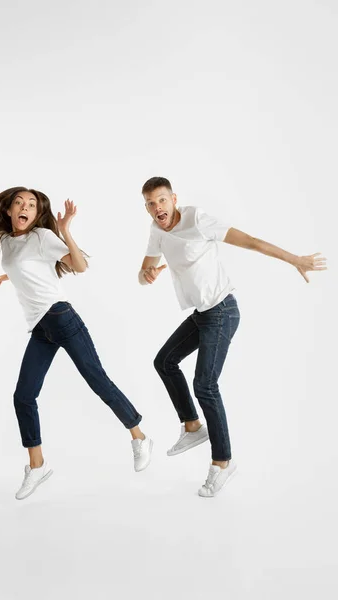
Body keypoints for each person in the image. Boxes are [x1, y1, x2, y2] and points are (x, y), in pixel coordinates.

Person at [0, 187, 153, 500]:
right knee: (23, 396)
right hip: (40, 328)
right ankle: (37, 466)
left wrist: (64, 232)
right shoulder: (7, 241)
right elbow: (27, 266)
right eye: (19, 203)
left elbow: (79, 266)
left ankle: (139, 436)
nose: (25, 207)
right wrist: (6, 277)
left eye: (31, 205)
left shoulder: (43, 238)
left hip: (62, 318)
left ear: (36, 214)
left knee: (98, 381)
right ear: (8, 210)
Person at [139, 176, 326, 498]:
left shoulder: (197, 219)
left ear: (174, 199)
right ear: (147, 208)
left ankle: (222, 462)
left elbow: (250, 241)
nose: (158, 207)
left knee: (205, 384)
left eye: (162, 200)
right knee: (165, 361)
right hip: (201, 314)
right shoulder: (157, 231)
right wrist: (147, 274)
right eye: (151, 203)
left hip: (222, 310)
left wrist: (294, 259)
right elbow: (144, 273)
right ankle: (193, 426)